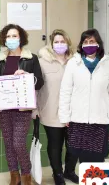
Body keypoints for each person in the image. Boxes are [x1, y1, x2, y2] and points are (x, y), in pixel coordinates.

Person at [0, 24, 44, 185]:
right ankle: (14, 177)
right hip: (4, 109)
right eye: (8, 36)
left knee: (18, 143)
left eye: (15, 36)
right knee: (8, 144)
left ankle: (26, 175)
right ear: (4, 39)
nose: (11, 39)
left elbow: (39, 82)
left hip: (22, 108)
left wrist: (27, 76)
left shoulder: (31, 58)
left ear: (21, 38)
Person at [59, 29, 109, 163]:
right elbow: (65, 91)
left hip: (99, 120)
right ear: (81, 45)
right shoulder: (73, 63)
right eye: (85, 42)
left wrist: (107, 112)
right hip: (79, 120)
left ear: (98, 43)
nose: (88, 44)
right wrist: (65, 115)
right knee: (83, 158)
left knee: (98, 157)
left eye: (91, 41)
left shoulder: (108, 64)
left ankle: (97, 182)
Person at [35, 29, 78, 185]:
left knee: (73, 145)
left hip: (74, 112)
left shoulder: (76, 61)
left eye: (63, 42)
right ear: (51, 44)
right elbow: (35, 87)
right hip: (50, 111)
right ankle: (57, 173)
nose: (60, 45)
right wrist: (35, 110)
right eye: (57, 42)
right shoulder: (42, 62)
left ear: (68, 43)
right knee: (55, 145)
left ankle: (70, 171)